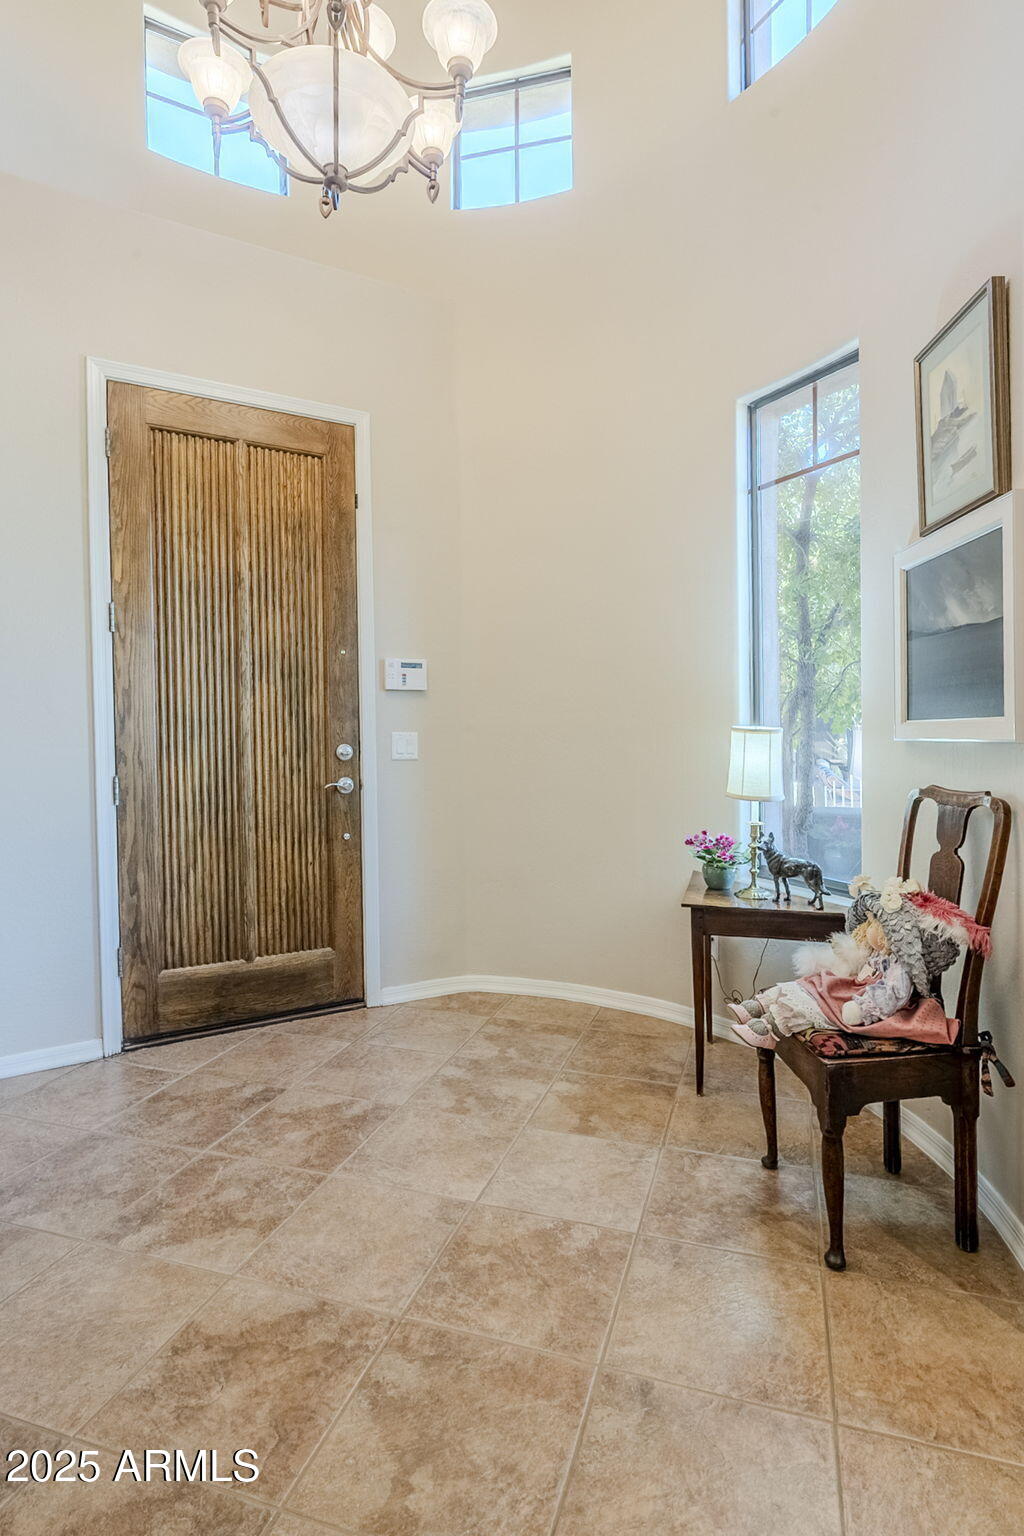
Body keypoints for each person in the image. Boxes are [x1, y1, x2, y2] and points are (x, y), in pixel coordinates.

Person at [727, 876, 991, 1052]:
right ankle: (756, 1007)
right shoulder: (878, 955)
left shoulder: (899, 969)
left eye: (878, 925)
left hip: (861, 1002)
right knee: (812, 984)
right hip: (853, 988)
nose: (870, 929)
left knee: (815, 1006)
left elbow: (894, 995)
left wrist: (863, 1008)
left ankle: (767, 1030)